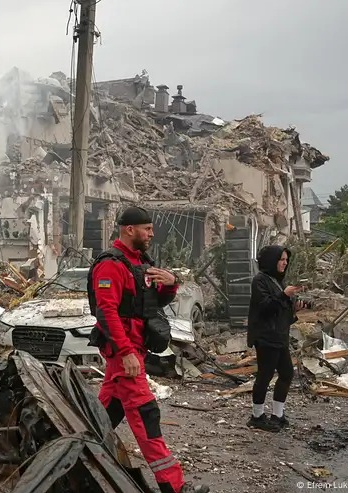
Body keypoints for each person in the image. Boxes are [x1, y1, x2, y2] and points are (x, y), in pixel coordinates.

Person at [87, 207, 208, 493]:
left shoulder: (140, 262)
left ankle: (76, 457)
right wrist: (126, 352)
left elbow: (150, 304)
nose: (152, 234)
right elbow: (107, 312)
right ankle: (174, 487)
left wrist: (171, 285)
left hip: (135, 350)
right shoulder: (110, 265)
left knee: (103, 414)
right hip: (123, 354)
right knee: (146, 415)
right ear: (129, 229)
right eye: (147, 229)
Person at [246, 245, 309, 431]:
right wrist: (284, 295)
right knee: (265, 376)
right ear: (271, 261)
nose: (284, 263)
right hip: (266, 336)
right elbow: (265, 307)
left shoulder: (277, 281)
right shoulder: (260, 281)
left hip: (279, 336)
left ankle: (277, 415)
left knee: (287, 373)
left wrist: (295, 308)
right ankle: (257, 416)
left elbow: (282, 313)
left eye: (286, 260)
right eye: (281, 259)